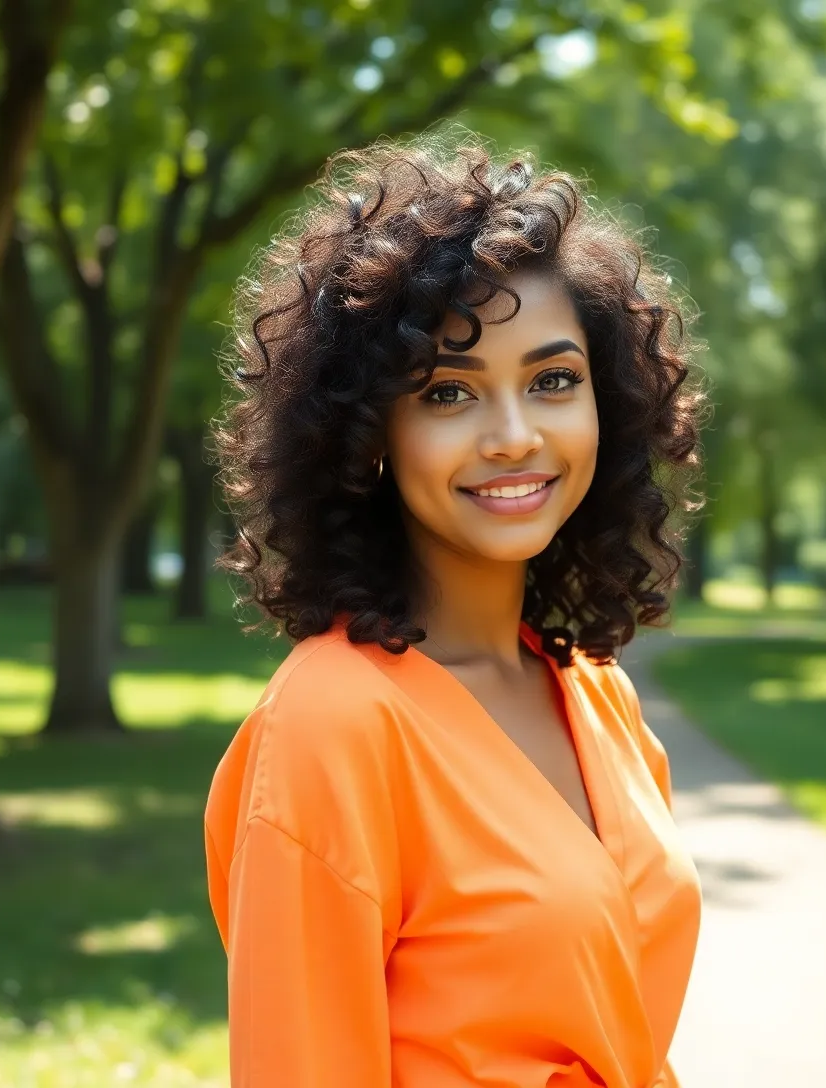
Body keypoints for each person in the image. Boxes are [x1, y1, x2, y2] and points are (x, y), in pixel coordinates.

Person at [204, 132, 706, 1088]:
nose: (515, 437)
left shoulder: (598, 697)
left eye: (554, 381)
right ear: (369, 435)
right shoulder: (331, 726)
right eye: (448, 392)